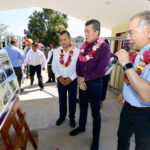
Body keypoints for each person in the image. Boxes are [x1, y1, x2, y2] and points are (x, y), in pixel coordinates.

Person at [69, 19, 111, 150]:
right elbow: (78, 63)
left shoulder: (104, 47)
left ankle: (95, 139)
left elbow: (101, 70)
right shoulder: (84, 46)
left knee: (95, 112)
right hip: (82, 83)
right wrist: (80, 79)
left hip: (95, 84)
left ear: (96, 32)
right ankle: (81, 127)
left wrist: (83, 79)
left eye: (88, 31)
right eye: (84, 31)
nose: (85, 34)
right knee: (82, 107)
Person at [115, 11, 150, 150]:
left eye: (131, 32)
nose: (127, 38)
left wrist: (126, 63)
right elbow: (134, 76)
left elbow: (147, 95)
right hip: (127, 107)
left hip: (145, 114)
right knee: (122, 138)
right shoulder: (138, 51)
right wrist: (125, 92)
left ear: (148, 32)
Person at [52, 30, 79, 127]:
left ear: (70, 39)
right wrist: (59, 77)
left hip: (72, 80)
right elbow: (54, 66)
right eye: (61, 40)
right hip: (60, 80)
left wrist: (71, 78)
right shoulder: (56, 51)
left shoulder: (76, 51)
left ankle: (72, 117)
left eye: (65, 39)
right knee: (62, 99)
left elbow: (78, 68)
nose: (63, 42)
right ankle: (62, 116)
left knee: (72, 100)